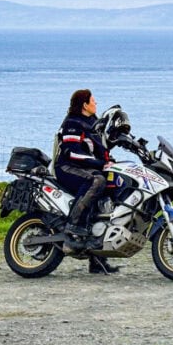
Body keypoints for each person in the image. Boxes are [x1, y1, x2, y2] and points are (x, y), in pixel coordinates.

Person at [54, 89, 119, 274]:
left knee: (110, 191)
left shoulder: (93, 123)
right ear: (84, 104)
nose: (96, 103)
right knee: (96, 181)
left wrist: (109, 161)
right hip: (67, 168)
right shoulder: (73, 123)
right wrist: (99, 163)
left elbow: (101, 150)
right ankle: (73, 226)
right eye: (93, 100)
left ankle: (97, 259)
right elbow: (72, 152)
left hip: (86, 168)